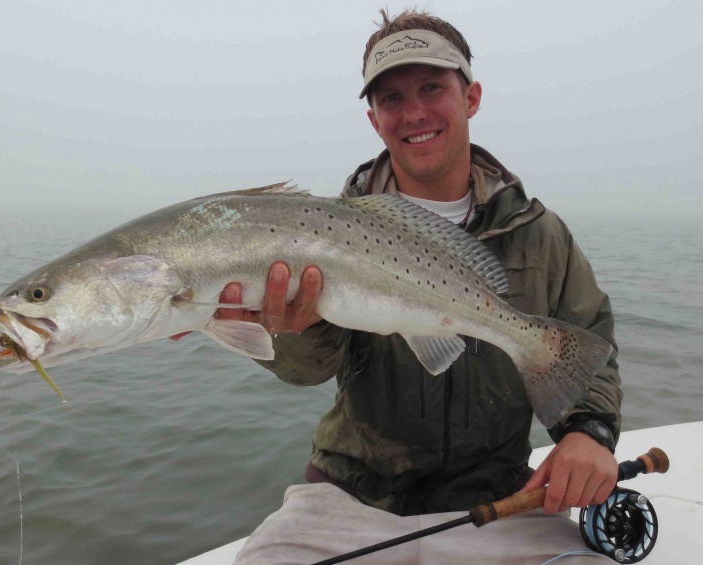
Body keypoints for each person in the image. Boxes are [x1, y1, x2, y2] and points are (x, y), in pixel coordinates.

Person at [216, 8, 622, 562]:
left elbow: (589, 347)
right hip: (350, 495)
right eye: (391, 99)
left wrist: (589, 432)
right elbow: (306, 372)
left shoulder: (540, 235)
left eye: (432, 88)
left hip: (500, 497)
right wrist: (293, 328)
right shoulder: (324, 233)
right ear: (373, 119)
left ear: (471, 97)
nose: (413, 113)